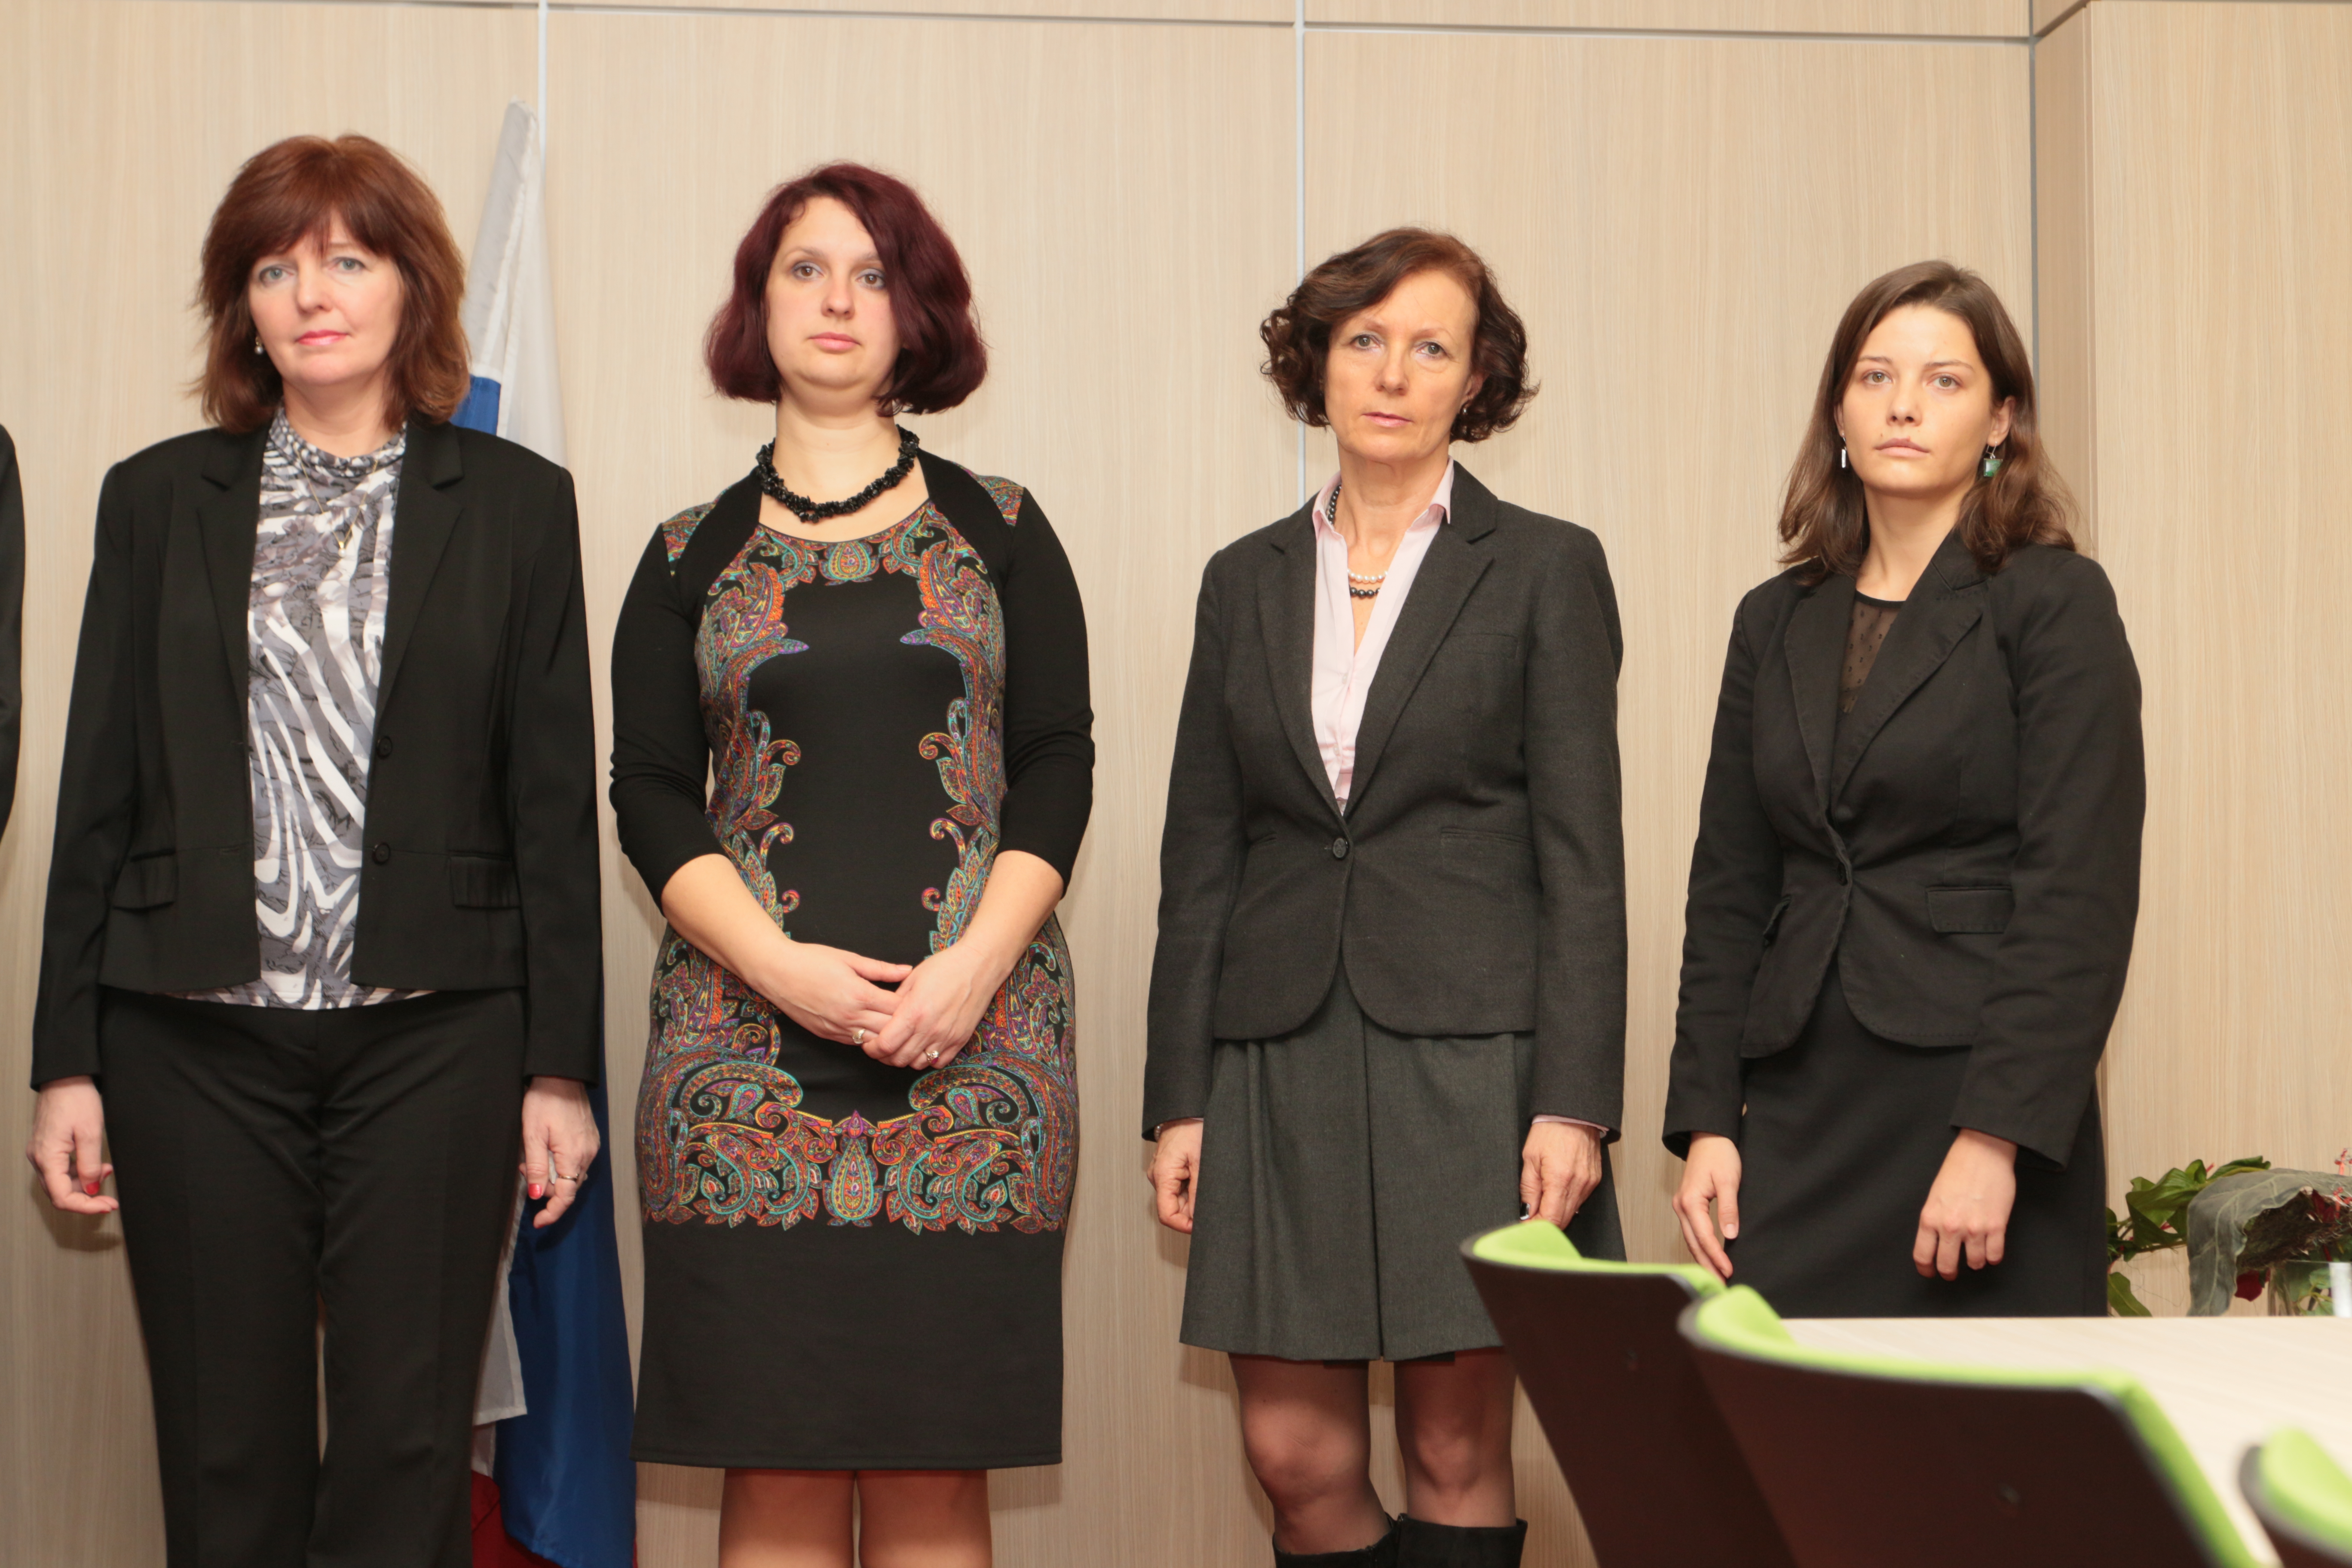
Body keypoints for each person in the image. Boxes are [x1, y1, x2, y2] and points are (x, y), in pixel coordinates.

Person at [21, 134, 603, 1564]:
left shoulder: (519, 504)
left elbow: (548, 805)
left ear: (412, 286)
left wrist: (558, 1067)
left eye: (347, 259)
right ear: (243, 304)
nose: (312, 294)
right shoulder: (157, 498)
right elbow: (99, 786)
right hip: (193, 1039)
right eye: (275, 269)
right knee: (228, 1446)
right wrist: (66, 1058)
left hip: (437, 1037)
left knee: (409, 1449)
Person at [610, 162, 1092, 1568]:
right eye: (805, 269)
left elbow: (1057, 762)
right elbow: (648, 794)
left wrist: (974, 971)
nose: (838, 300)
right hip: (739, 1073)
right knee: (774, 1474)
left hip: (978, 1061)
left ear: (915, 311)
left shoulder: (1003, 527)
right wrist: (779, 971)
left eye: (873, 274)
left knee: (938, 1476)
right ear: (756, 306)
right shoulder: (685, 554)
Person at [1144, 228, 1626, 1568]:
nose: (1394, 374)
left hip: (1473, 1061)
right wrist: (1179, 1096)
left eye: (1431, 347)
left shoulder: (1545, 567)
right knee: (1293, 1459)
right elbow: (1204, 855)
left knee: (1456, 1451)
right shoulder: (1243, 579)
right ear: (1316, 364)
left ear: (1477, 380)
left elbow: (1584, 858)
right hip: (1275, 1052)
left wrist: (1574, 1101)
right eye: (1364, 340)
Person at [1664, 260, 2142, 1317]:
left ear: (2001, 419)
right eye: (1875, 377)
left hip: (1977, 1098)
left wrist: (1996, 1136)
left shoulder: (2054, 602)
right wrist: (1706, 1121)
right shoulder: (1773, 619)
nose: (1904, 405)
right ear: (1839, 412)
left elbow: (2079, 892)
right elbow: (1730, 887)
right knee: (1792, 1411)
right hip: (1798, 1101)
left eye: (1944, 380)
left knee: (1978, 1422)